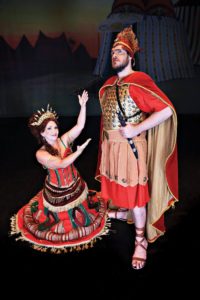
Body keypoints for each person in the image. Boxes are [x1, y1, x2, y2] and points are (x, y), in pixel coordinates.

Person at [96, 27, 178, 269]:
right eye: (113, 52)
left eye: (120, 52)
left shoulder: (139, 81)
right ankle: (124, 214)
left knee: (137, 197)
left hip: (131, 147)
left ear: (131, 58)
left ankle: (140, 240)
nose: (115, 55)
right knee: (119, 189)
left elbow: (165, 110)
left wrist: (137, 128)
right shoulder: (109, 84)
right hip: (112, 148)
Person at [10, 90, 108, 253]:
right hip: (57, 191)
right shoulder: (40, 153)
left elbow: (80, 126)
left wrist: (83, 106)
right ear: (42, 133)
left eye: (55, 127)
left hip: (75, 183)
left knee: (86, 205)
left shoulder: (63, 140)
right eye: (49, 129)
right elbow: (62, 164)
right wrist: (79, 151)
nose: (55, 131)